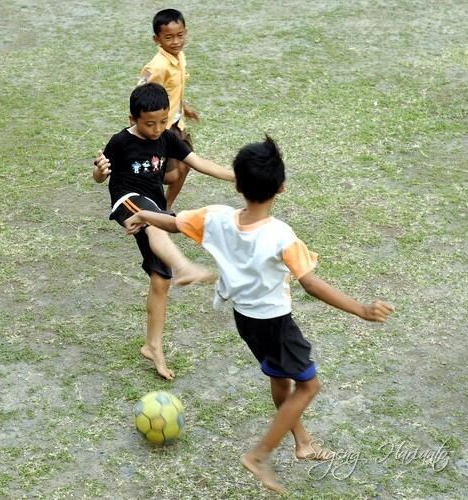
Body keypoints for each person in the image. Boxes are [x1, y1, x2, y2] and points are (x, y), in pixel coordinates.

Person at [124, 135, 394, 493]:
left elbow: (172, 222)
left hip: (245, 322)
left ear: (236, 183)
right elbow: (311, 284)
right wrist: (360, 309)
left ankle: (303, 443)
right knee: (308, 386)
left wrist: (143, 213)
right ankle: (259, 456)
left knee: (281, 381)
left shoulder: (215, 217)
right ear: (281, 188)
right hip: (275, 323)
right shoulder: (280, 235)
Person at [93, 83, 234, 380]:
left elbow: (198, 163)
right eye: (149, 124)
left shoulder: (167, 137)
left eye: (162, 121)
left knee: (160, 279)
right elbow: (99, 173)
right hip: (128, 201)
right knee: (156, 223)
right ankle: (184, 267)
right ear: (132, 119)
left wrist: (235, 176)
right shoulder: (120, 142)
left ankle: (152, 345)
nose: (157, 129)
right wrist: (100, 172)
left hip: (153, 206)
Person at [138, 8, 198, 210]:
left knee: (187, 165)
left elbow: (174, 88)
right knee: (171, 174)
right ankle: (145, 195)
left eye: (180, 35)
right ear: (157, 39)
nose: (176, 42)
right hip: (160, 128)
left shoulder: (180, 57)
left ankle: (165, 207)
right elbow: (141, 96)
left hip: (176, 124)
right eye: (169, 37)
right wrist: (140, 129)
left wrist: (184, 107)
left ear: (186, 32)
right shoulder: (157, 67)